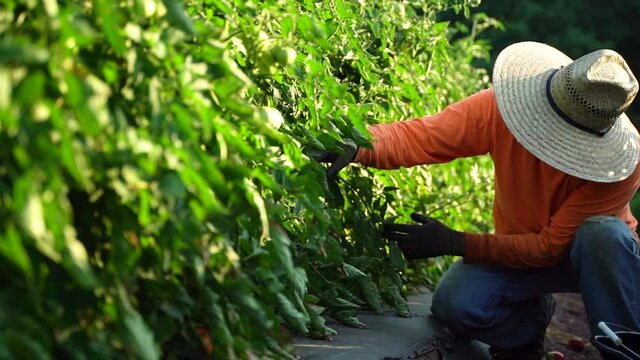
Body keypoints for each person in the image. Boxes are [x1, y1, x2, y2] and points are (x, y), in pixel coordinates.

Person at [315, 41, 640, 360]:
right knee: (456, 304)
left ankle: (625, 347)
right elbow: (425, 136)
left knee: (604, 235)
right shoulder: (503, 110)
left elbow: (550, 247)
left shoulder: (621, 167)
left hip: (594, 261)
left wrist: (456, 242)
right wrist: (359, 144)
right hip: (517, 249)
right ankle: (526, 329)